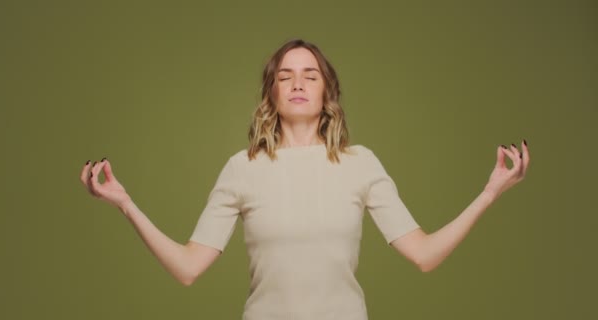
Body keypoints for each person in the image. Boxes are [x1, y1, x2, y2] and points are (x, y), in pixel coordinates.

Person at [80, 39, 530, 320]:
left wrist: (489, 194)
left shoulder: (361, 163)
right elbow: (187, 268)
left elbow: (425, 255)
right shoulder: (243, 167)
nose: (298, 83)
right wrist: (125, 204)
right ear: (272, 94)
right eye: (285, 76)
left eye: (309, 75)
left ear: (325, 92)